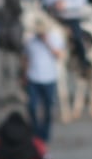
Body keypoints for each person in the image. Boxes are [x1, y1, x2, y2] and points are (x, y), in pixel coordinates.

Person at [23, 14, 66, 143]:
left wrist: (48, 43)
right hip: (33, 78)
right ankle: (36, 133)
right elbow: (26, 58)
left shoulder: (56, 38)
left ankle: (45, 135)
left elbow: (59, 55)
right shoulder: (30, 41)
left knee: (47, 108)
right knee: (32, 106)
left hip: (49, 78)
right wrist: (24, 74)